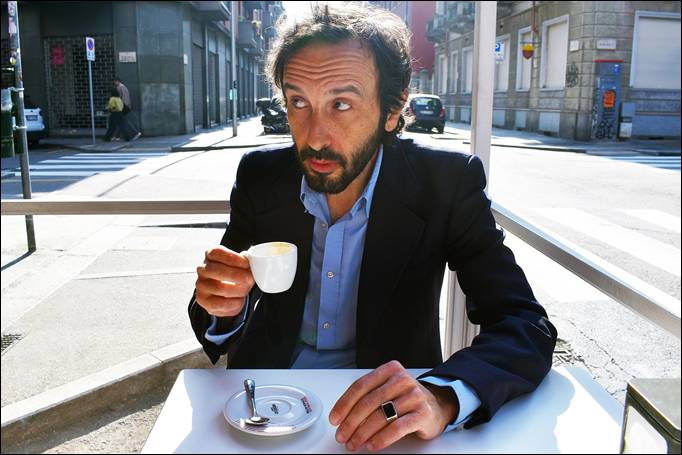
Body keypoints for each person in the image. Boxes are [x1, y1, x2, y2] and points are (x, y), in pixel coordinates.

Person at [188, 3, 557, 452]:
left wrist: (442, 397)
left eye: (341, 104)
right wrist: (223, 306)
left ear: (392, 109)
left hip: (385, 413)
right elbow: (214, 315)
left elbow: (524, 322)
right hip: (266, 403)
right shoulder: (262, 176)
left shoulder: (444, 183)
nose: (315, 136)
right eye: (298, 102)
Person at [113, 76, 141, 141]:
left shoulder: (121, 87)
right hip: (124, 107)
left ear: (117, 81)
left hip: (123, 107)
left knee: (124, 121)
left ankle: (135, 132)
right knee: (120, 121)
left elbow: (124, 98)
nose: (114, 83)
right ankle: (117, 136)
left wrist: (121, 107)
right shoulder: (121, 87)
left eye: (114, 82)